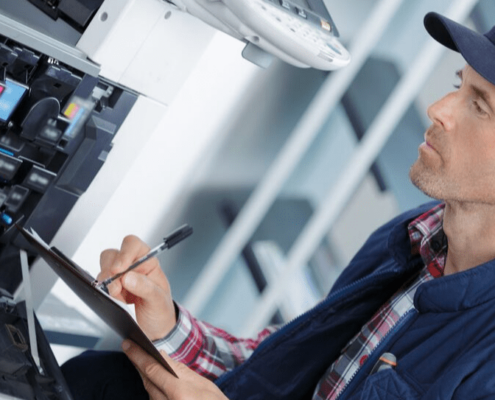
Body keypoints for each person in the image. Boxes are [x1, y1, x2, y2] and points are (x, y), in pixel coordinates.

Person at [61, 11, 495, 399]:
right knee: (96, 378)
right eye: (458, 85)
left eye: (480, 106)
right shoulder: (411, 237)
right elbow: (281, 368)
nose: (438, 109)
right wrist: (170, 329)